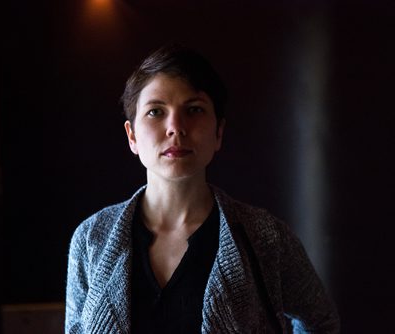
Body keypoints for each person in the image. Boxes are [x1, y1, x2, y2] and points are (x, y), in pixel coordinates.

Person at [65, 44, 340, 334]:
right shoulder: (91, 238)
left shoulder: (266, 238)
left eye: (193, 110)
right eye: (156, 111)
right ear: (132, 136)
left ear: (218, 132)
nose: (176, 128)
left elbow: (320, 321)